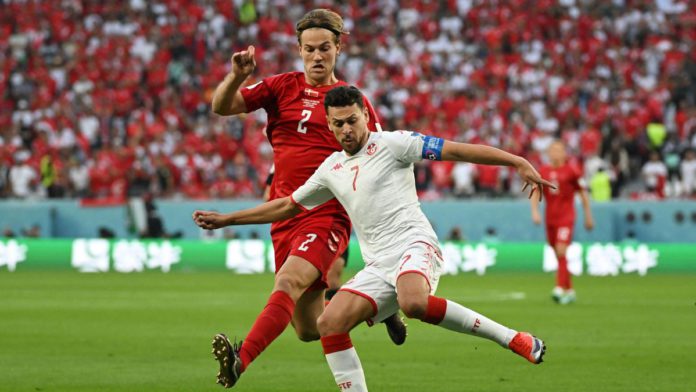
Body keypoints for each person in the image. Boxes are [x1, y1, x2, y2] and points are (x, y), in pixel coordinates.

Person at [195, 86, 551, 390]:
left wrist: (516, 160)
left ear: (365, 114)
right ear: (329, 124)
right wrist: (228, 220)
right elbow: (287, 206)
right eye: (338, 123)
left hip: (415, 244)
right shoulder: (331, 169)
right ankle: (384, 320)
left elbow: (456, 150)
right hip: (378, 264)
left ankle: (512, 338)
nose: (347, 129)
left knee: (412, 301)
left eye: (353, 120)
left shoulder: (395, 144)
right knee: (328, 323)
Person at [208, 9, 404, 388]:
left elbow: (378, 157)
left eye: (325, 48)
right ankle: (375, 307)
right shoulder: (280, 87)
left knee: (287, 283)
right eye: (310, 49)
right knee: (308, 328)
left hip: (326, 212)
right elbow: (222, 106)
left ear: (338, 48)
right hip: (283, 212)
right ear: (299, 50)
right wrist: (237, 76)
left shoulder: (350, 100)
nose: (317, 56)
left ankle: (239, 358)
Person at [530, 140, 594, 304]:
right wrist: (535, 211)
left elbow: (583, 194)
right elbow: (536, 191)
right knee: (558, 253)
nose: (555, 153)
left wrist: (588, 216)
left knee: (561, 250)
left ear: (565, 153)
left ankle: (559, 287)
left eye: (559, 150)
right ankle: (570, 289)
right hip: (550, 218)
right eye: (552, 150)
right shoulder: (543, 171)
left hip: (566, 217)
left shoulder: (572, 170)